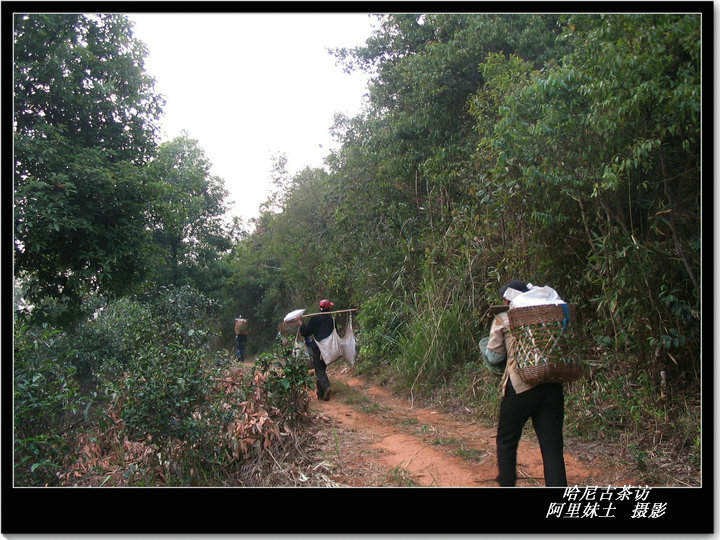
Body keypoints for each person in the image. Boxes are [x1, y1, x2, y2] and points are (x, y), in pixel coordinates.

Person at [485, 280, 567, 487]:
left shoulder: (504, 317)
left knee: (507, 441)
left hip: (521, 386)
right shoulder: (550, 314)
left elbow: (494, 357)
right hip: (552, 385)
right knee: (552, 448)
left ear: (509, 299)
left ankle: (507, 484)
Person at [297, 299, 335, 401]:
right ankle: (321, 394)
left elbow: (306, 332)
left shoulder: (315, 319)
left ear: (320, 308)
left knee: (319, 370)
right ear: (329, 308)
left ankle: (326, 387)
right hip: (327, 348)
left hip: (318, 347)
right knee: (321, 369)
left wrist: (301, 323)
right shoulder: (331, 319)